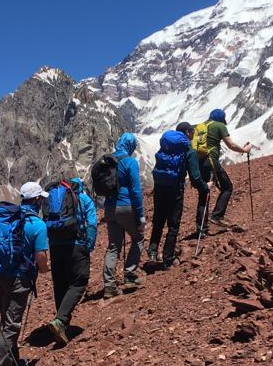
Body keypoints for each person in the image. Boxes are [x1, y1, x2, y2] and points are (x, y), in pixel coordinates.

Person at [0, 182, 49, 366]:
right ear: (37, 200)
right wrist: (44, 269)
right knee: (11, 324)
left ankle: (12, 363)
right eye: (41, 199)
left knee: (6, 319)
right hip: (19, 279)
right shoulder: (38, 225)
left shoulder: (7, 218)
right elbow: (41, 257)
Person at [44, 177, 97, 346]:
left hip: (55, 247)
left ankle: (62, 325)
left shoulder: (54, 198)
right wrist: (89, 244)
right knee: (79, 282)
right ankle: (60, 321)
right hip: (76, 245)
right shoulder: (83, 199)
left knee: (60, 284)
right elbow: (92, 223)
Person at [149, 122, 208, 268]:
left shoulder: (166, 145)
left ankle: (152, 251)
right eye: (192, 131)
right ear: (187, 132)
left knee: (158, 220)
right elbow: (195, 177)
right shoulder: (188, 149)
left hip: (159, 187)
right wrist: (206, 186)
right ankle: (167, 259)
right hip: (175, 189)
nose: (193, 133)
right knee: (173, 225)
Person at [194, 108, 255, 232]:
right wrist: (245, 150)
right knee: (227, 187)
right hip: (211, 161)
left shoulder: (201, 126)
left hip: (200, 162)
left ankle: (201, 228)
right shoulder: (219, 125)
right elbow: (231, 145)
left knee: (204, 192)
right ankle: (217, 216)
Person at [102, 133, 145, 298]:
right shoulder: (129, 162)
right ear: (130, 145)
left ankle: (109, 285)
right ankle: (130, 275)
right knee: (138, 238)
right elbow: (135, 190)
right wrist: (140, 215)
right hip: (125, 206)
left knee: (113, 246)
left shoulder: (108, 162)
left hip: (109, 208)